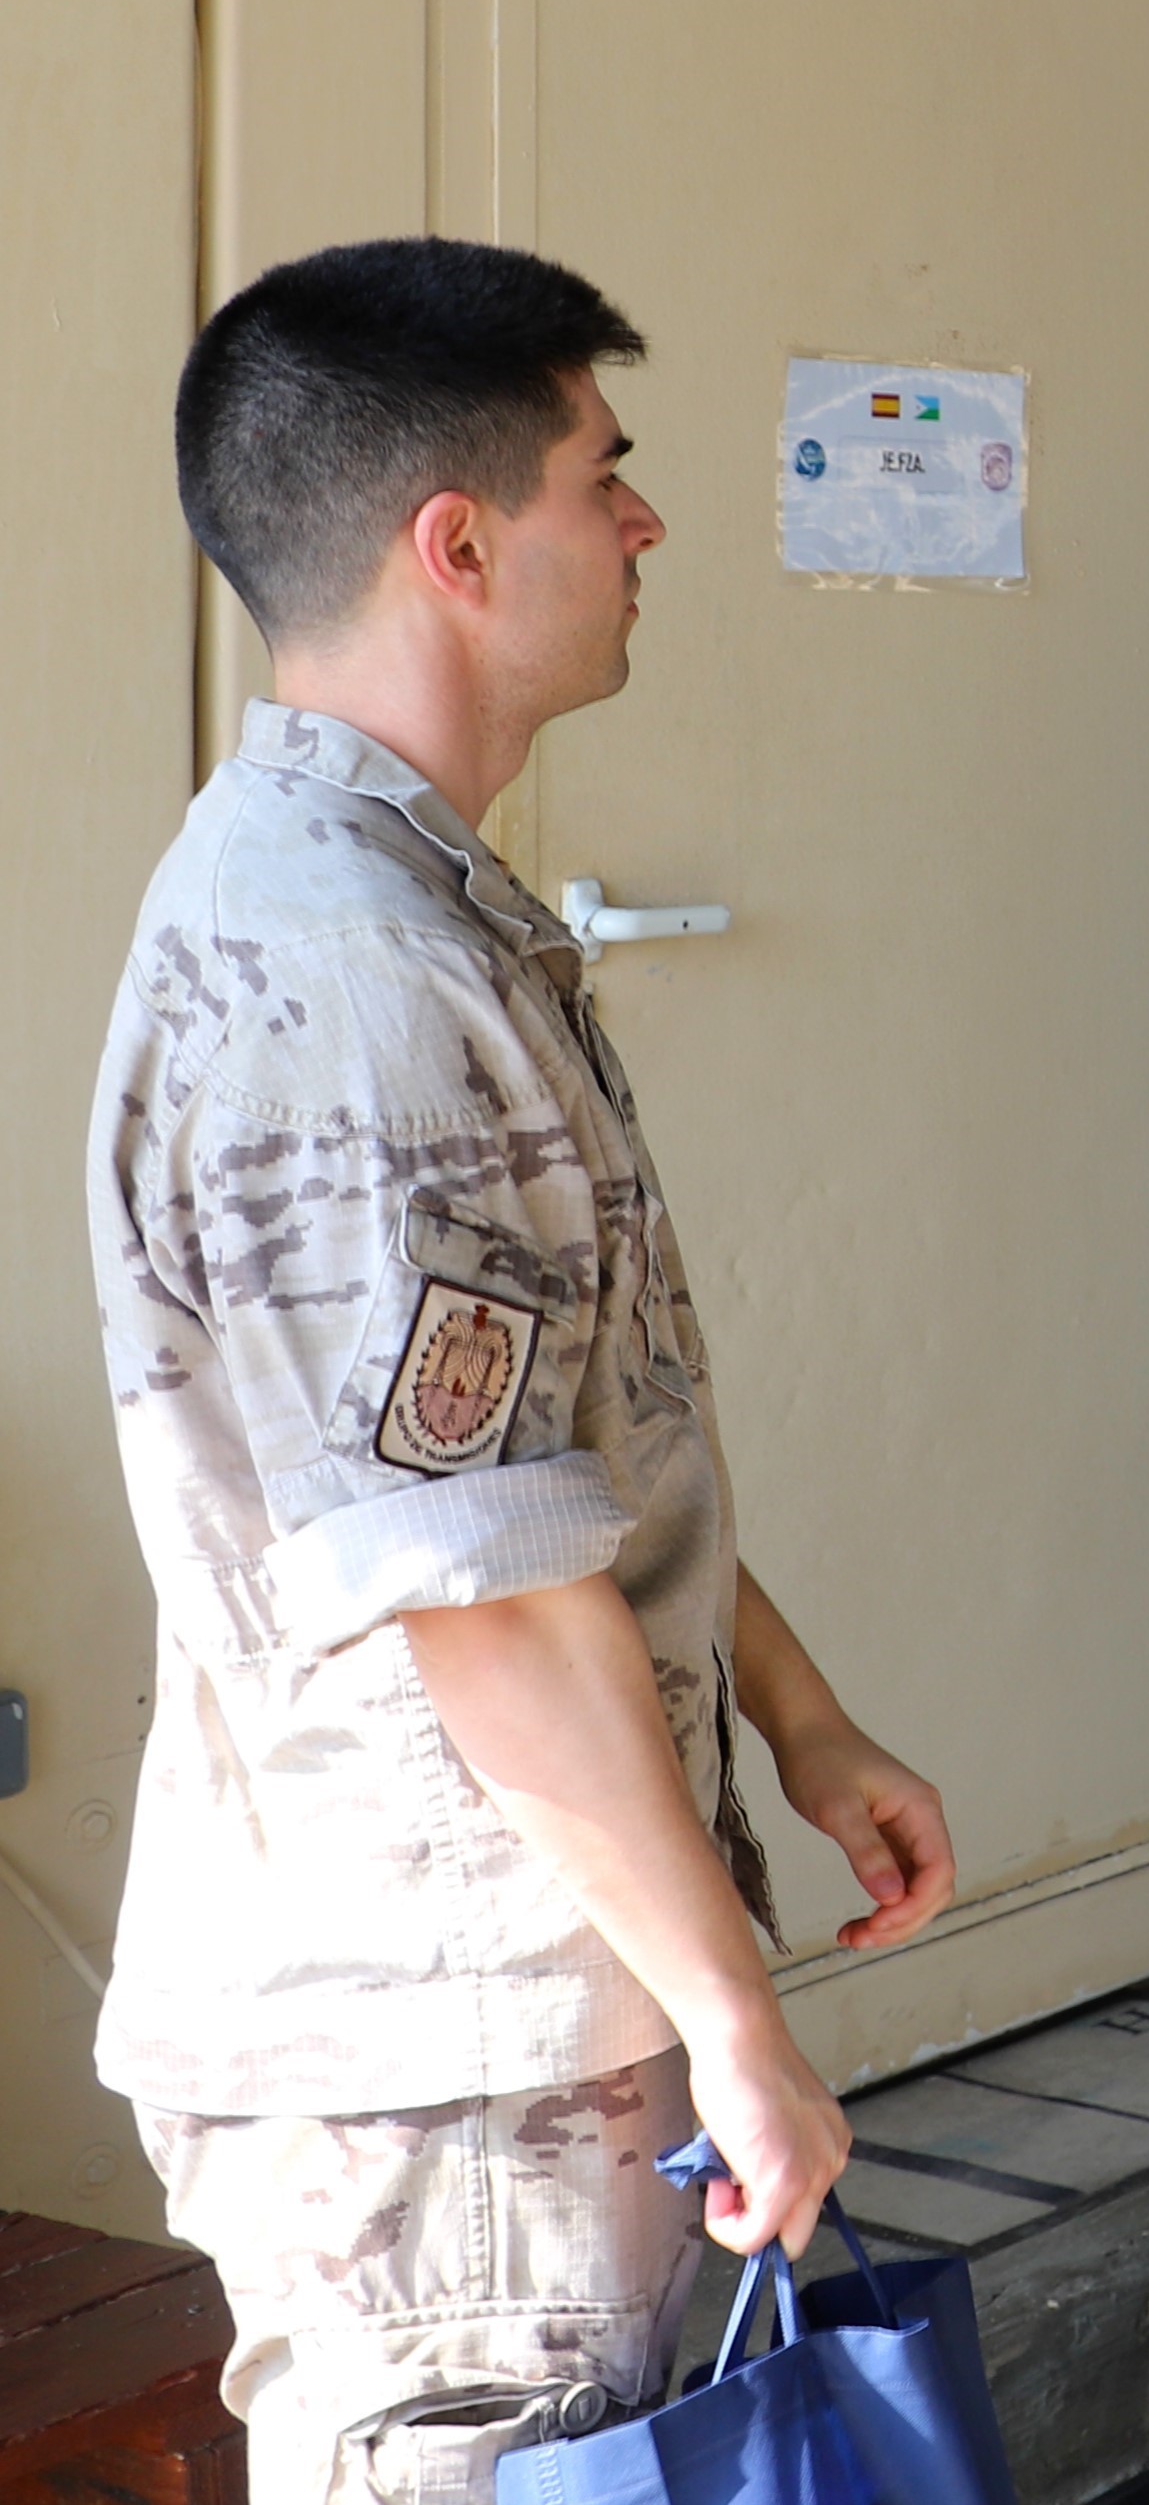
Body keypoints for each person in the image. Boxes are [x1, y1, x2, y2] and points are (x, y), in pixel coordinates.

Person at [87, 237, 958, 2505]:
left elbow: (550, 1457)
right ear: (455, 544)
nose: (649, 522)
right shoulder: (350, 975)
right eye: (610, 472)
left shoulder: (415, 904)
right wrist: (740, 2023)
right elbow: (470, 1587)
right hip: (442, 2048)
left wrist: (796, 1706)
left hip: (498, 2005)